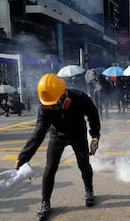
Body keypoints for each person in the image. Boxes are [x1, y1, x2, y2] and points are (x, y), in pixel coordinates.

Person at [14, 73, 101, 221]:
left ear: (64, 94)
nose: (51, 107)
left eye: (54, 103)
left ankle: (89, 191)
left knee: (84, 164)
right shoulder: (45, 108)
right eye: (49, 104)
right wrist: (23, 158)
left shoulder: (79, 97)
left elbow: (93, 115)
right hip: (57, 136)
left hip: (77, 134)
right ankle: (45, 202)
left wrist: (94, 136)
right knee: (50, 168)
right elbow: (38, 134)